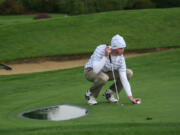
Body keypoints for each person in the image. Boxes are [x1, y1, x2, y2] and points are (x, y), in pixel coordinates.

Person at [84, 34, 141, 105]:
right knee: (103, 77)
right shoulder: (100, 49)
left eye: (123, 48)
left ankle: (109, 94)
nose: (122, 50)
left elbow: (124, 78)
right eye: (120, 48)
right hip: (90, 71)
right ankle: (90, 94)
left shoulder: (121, 58)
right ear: (114, 48)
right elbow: (96, 69)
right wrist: (105, 56)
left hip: (106, 72)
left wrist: (131, 98)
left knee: (128, 73)